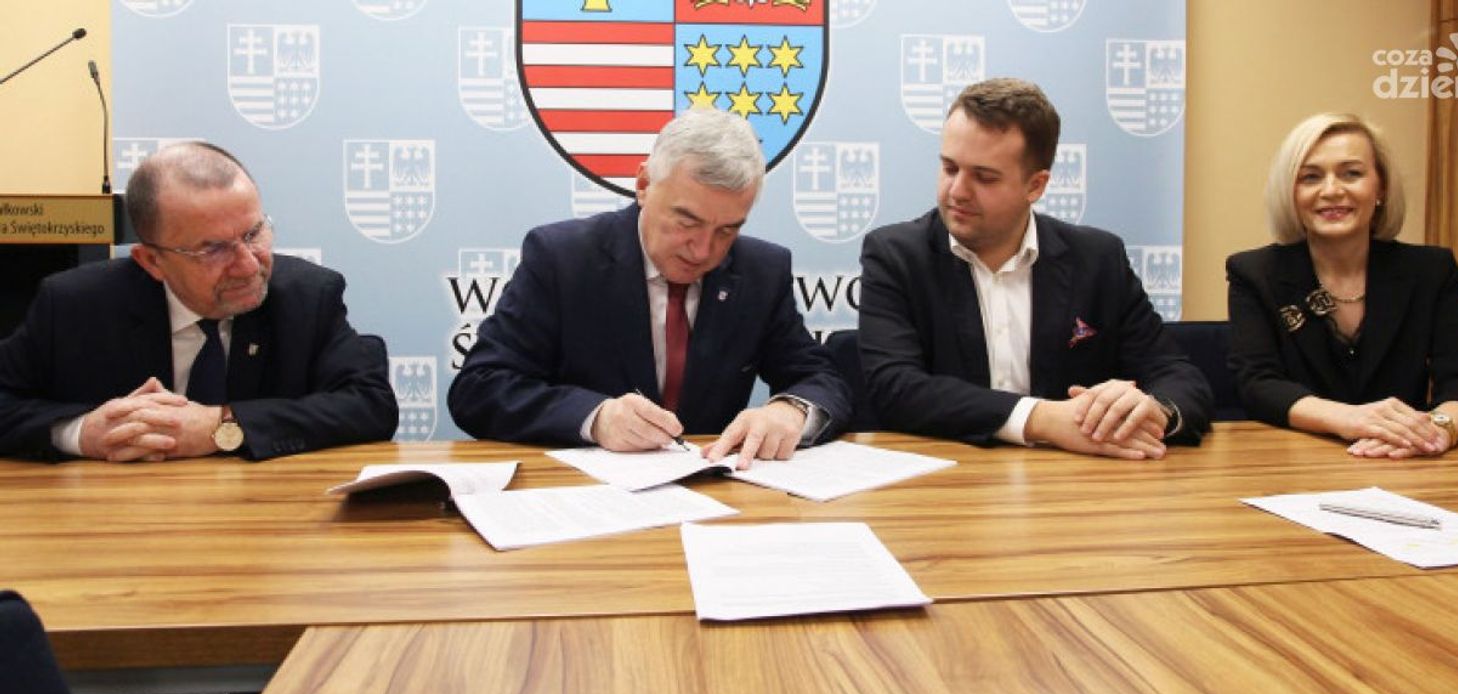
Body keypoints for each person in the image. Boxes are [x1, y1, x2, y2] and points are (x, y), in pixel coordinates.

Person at [449, 109, 850, 467]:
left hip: (713, 494)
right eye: (687, 222)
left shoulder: (762, 271)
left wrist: (791, 411)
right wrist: (596, 418)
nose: (703, 250)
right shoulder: (562, 258)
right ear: (643, 184)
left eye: (727, 231)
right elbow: (479, 388)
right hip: (584, 495)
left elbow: (821, 377)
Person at [858, 78, 1211, 458]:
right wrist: (1042, 419)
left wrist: (1155, 411)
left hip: (1077, 481)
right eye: (949, 168)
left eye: (984, 177)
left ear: (1036, 186)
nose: (957, 190)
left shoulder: (1098, 259)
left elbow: (1177, 375)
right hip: (949, 477)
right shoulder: (897, 255)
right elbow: (897, 389)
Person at [0, 141, 398, 462]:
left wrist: (221, 425)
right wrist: (79, 434)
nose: (248, 265)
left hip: (264, 520)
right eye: (213, 249)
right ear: (152, 261)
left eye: (253, 234)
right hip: (117, 521)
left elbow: (370, 404)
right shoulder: (75, 305)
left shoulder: (307, 295)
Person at [1226, 113, 1458, 457]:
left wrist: (1436, 431)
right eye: (1311, 177)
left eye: (1351, 174)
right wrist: (1352, 419)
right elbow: (1258, 385)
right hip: (1297, 462)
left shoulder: (1430, 270)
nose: (1331, 191)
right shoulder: (1254, 273)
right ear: (1291, 193)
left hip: (1402, 459)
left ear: (1380, 187)